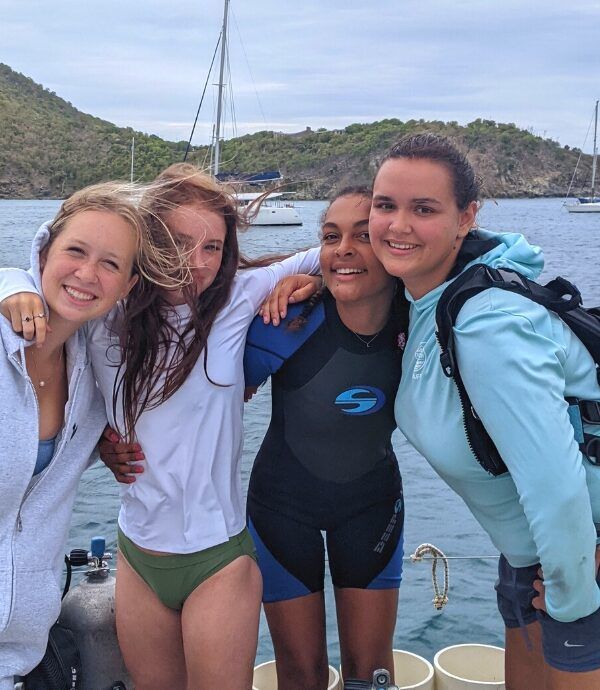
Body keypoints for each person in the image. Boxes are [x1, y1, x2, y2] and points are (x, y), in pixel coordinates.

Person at [0, 163, 321, 690]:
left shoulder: (237, 297)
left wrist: (303, 278)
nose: (195, 263)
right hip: (138, 558)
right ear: (146, 248)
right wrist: (12, 283)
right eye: (175, 242)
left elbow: (340, 253)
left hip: (217, 556)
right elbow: (55, 274)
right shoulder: (106, 316)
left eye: (212, 248)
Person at [367, 133, 600, 690]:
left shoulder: (487, 323)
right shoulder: (431, 296)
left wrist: (573, 596)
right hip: (532, 556)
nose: (398, 225)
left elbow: (557, 485)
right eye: (385, 205)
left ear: (466, 217)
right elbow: (341, 254)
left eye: (424, 209)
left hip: (578, 563)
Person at [0, 182, 181, 689]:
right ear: (42, 251)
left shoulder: (95, 382)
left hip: (21, 659)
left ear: (126, 286)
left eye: (110, 264)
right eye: (75, 251)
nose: (86, 274)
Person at [243, 188, 409, 690]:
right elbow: (208, 400)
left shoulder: (420, 322)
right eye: (332, 236)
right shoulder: (288, 320)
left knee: (373, 674)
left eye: (364, 235)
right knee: (301, 676)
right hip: (280, 509)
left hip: (372, 506)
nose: (345, 249)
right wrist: (118, 438)